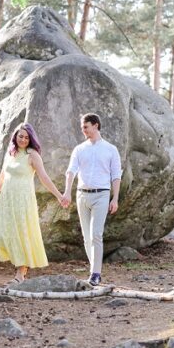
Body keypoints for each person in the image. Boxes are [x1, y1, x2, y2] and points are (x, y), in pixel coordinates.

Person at [0, 123, 65, 286]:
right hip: (7, 200)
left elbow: (44, 177)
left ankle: (20, 274)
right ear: (15, 137)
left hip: (23, 200)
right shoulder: (10, 153)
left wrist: (59, 195)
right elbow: (2, 177)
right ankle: (19, 267)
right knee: (2, 234)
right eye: (20, 136)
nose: (23, 139)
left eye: (26, 137)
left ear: (31, 139)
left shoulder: (33, 155)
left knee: (21, 234)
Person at [61, 113, 122, 287]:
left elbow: (116, 176)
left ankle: (96, 273)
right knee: (87, 237)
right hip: (82, 195)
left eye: (86, 127)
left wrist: (115, 198)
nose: (83, 131)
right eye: (82, 128)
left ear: (95, 125)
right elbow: (71, 171)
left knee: (96, 234)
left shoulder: (111, 149)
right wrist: (67, 192)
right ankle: (93, 270)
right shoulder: (79, 149)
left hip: (102, 194)